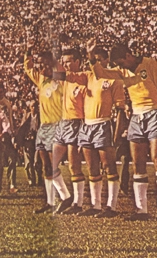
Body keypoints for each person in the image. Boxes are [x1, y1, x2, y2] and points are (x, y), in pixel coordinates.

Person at [90, 42, 157, 221]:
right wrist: (91, 57)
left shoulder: (150, 64)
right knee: (138, 163)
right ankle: (141, 209)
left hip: (154, 111)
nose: (120, 67)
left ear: (128, 55)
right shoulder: (122, 72)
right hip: (136, 116)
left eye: (121, 62)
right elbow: (101, 73)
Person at [60, 42, 126, 218]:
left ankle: (111, 206)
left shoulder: (114, 80)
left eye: (98, 60)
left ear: (106, 61)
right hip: (87, 125)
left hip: (103, 124)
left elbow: (120, 110)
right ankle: (96, 205)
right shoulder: (87, 76)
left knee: (109, 165)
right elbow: (67, 76)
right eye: (92, 60)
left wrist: (118, 133)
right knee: (92, 167)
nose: (95, 63)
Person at [23, 43, 73, 214]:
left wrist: (53, 63)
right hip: (43, 127)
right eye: (40, 65)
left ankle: (66, 196)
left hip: (57, 125)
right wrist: (28, 51)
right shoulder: (41, 80)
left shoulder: (61, 80)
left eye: (45, 64)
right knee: (44, 165)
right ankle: (51, 201)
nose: (41, 68)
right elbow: (28, 67)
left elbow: (63, 74)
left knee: (52, 164)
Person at [52, 48, 86, 214]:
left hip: (76, 123)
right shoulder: (65, 80)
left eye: (68, 61)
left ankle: (78, 204)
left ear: (78, 62)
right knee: (51, 163)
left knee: (74, 166)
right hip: (63, 123)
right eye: (64, 62)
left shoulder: (84, 79)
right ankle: (66, 197)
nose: (65, 65)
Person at [0, 84, 19, 194]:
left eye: (0, 92)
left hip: (7, 134)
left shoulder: (7, 103)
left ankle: (12, 184)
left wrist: (12, 133)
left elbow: (10, 119)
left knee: (12, 159)